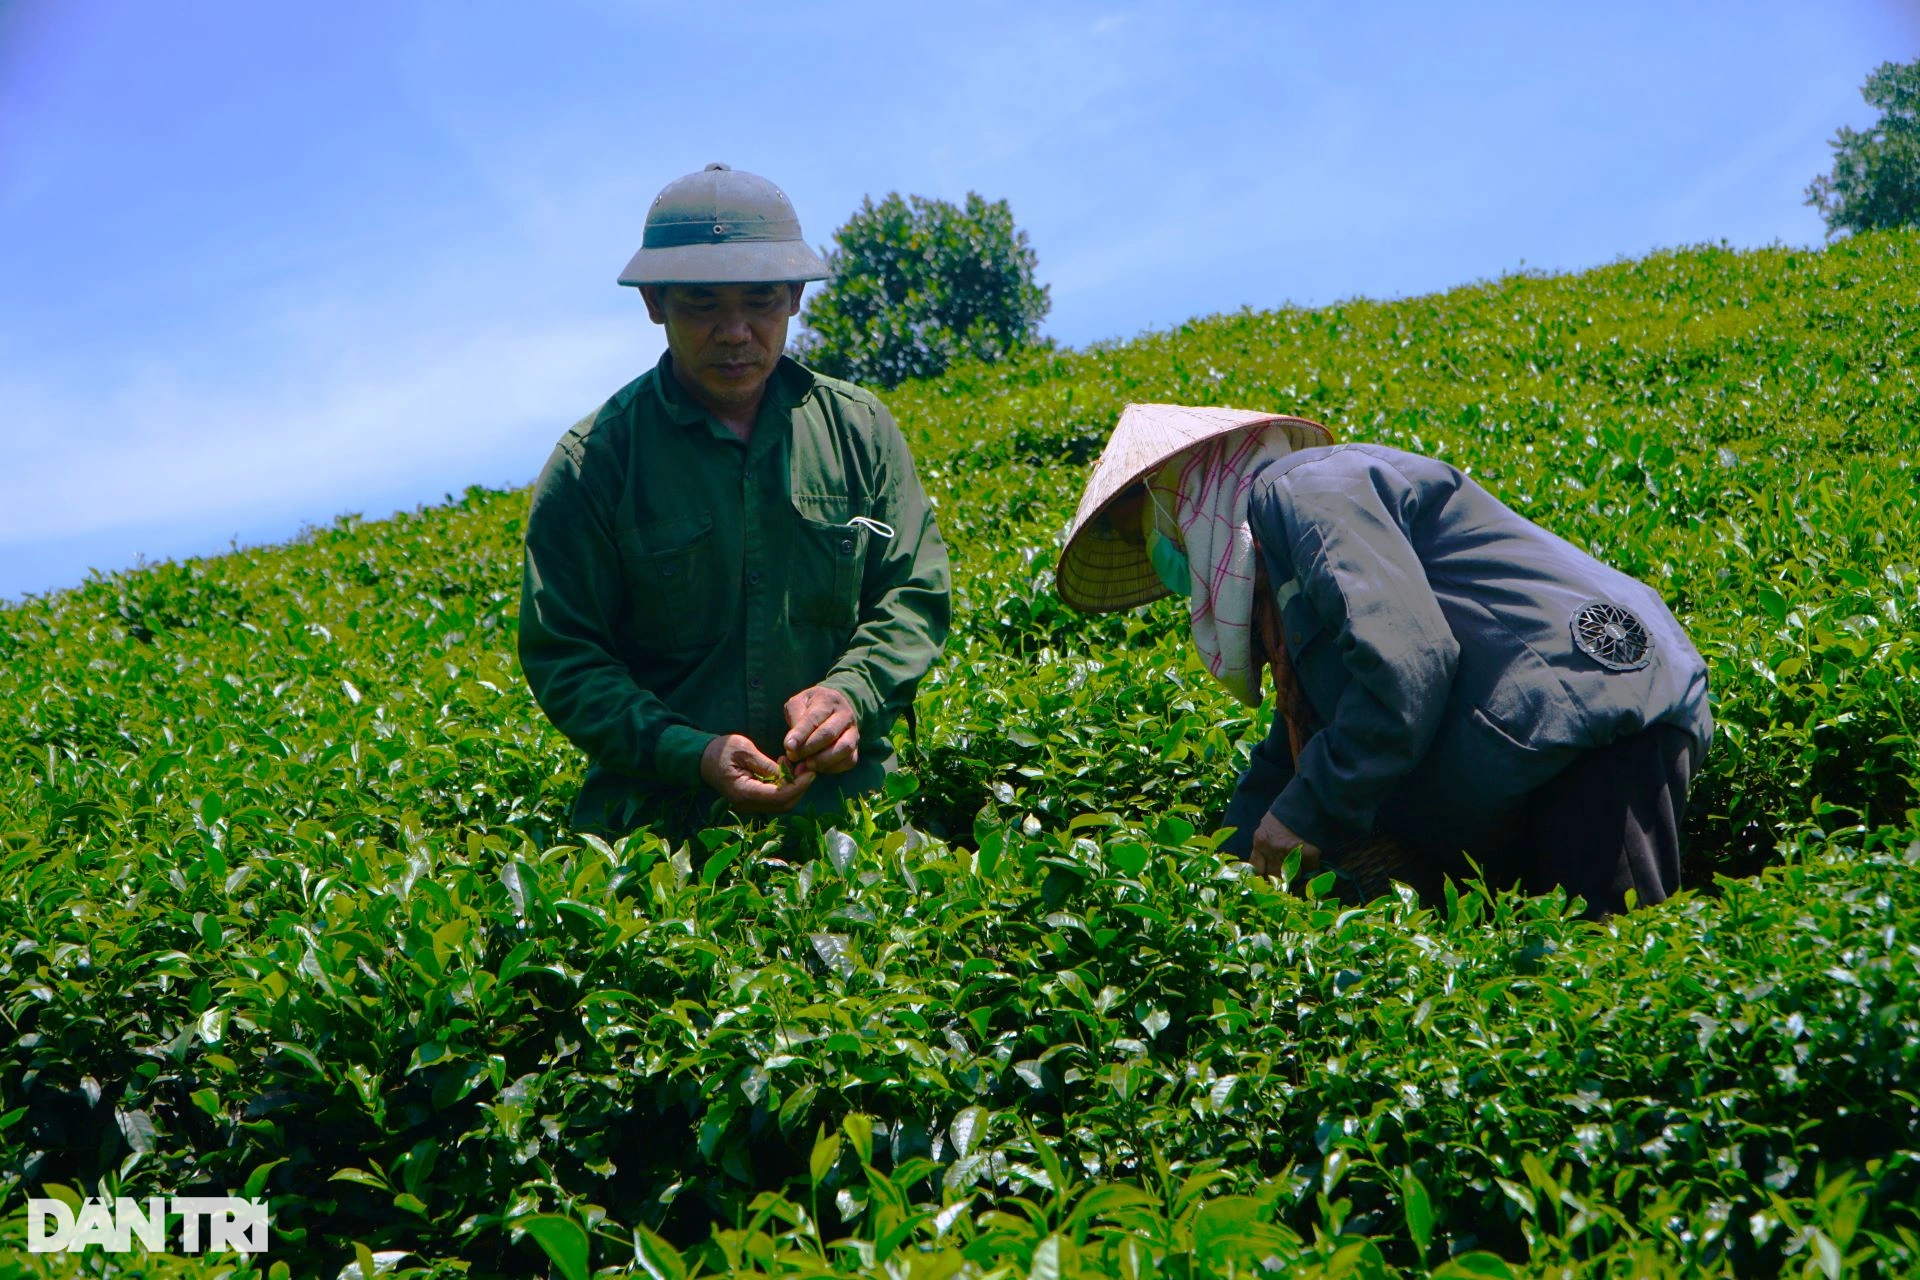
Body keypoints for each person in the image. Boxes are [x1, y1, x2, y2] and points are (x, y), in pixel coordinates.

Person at [1057, 404, 1712, 918]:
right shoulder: (1279, 598)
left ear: (1183, 492)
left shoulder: (1304, 490)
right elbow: (1299, 745)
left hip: (1584, 715)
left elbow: (1407, 661)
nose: (1153, 550)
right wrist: (1218, 873)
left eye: (1143, 525)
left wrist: (1305, 817)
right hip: (1533, 750)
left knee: (1614, 978)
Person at [518, 163, 950, 838]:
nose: (735, 331)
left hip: (850, 826)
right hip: (661, 840)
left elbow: (913, 592)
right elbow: (567, 656)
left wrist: (850, 696)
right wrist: (690, 753)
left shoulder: (860, 430)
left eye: (760, 301)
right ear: (654, 303)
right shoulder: (595, 464)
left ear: (796, 298)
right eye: (702, 304)